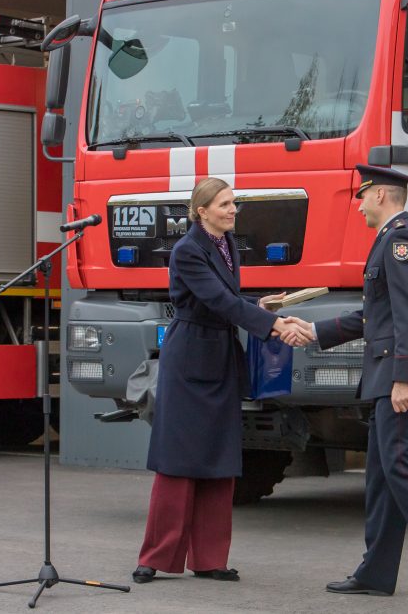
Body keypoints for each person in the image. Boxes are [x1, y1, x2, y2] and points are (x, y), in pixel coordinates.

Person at [282, 165, 408, 608]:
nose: (358, 205)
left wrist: (403, 378)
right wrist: (314, 331)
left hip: (399, 378)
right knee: (381, 473)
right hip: (386, 376)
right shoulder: (390, 241)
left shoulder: (403, 241)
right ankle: (376, 571)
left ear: (380, 195)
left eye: (362, 196)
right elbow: (373, 317)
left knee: (401, 467)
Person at [133, 177, 308, 584]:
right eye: (225, 204)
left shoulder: (227, 244)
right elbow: (216, 300)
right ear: (202, 211)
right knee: (178, 462)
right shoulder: (187, 250)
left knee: (220, 458)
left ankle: (210, 559)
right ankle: (156, 558)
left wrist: (257, 305)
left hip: (220, 357)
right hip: (189, 360)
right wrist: (272, 323)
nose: (233, 210)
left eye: (234, 203)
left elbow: (225, 300)